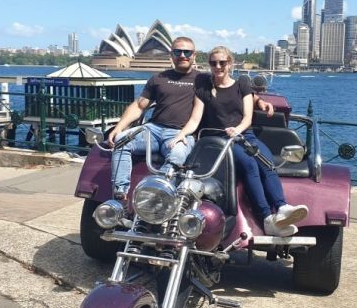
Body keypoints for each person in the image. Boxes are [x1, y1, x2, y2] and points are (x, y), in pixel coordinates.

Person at [108, 37, 273, 200]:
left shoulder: (203, 79)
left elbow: (234, 89)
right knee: (122, 140)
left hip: (181, 132)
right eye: (177, 51)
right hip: (153, 129)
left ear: (194, 55)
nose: (182, 55)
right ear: (171, 55)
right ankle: (120, 194)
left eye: (187, 52)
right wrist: (119, 127)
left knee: (177, 155)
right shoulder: (158, 78)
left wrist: (260, 101)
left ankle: (157, 196)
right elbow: (139, 105)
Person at [170, 46, 308, 237]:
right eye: (213, 63)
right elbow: (195, 119)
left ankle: (282, 207)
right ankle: (267, 218)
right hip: (219, 140)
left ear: (230, 64)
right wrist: (181, 135)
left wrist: (238, 129)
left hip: (244, 135)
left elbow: (247, 118)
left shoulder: (242, 83)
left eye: (222, 63)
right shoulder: (204, 87)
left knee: (267, 162)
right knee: (250, 164)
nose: (218, 66)